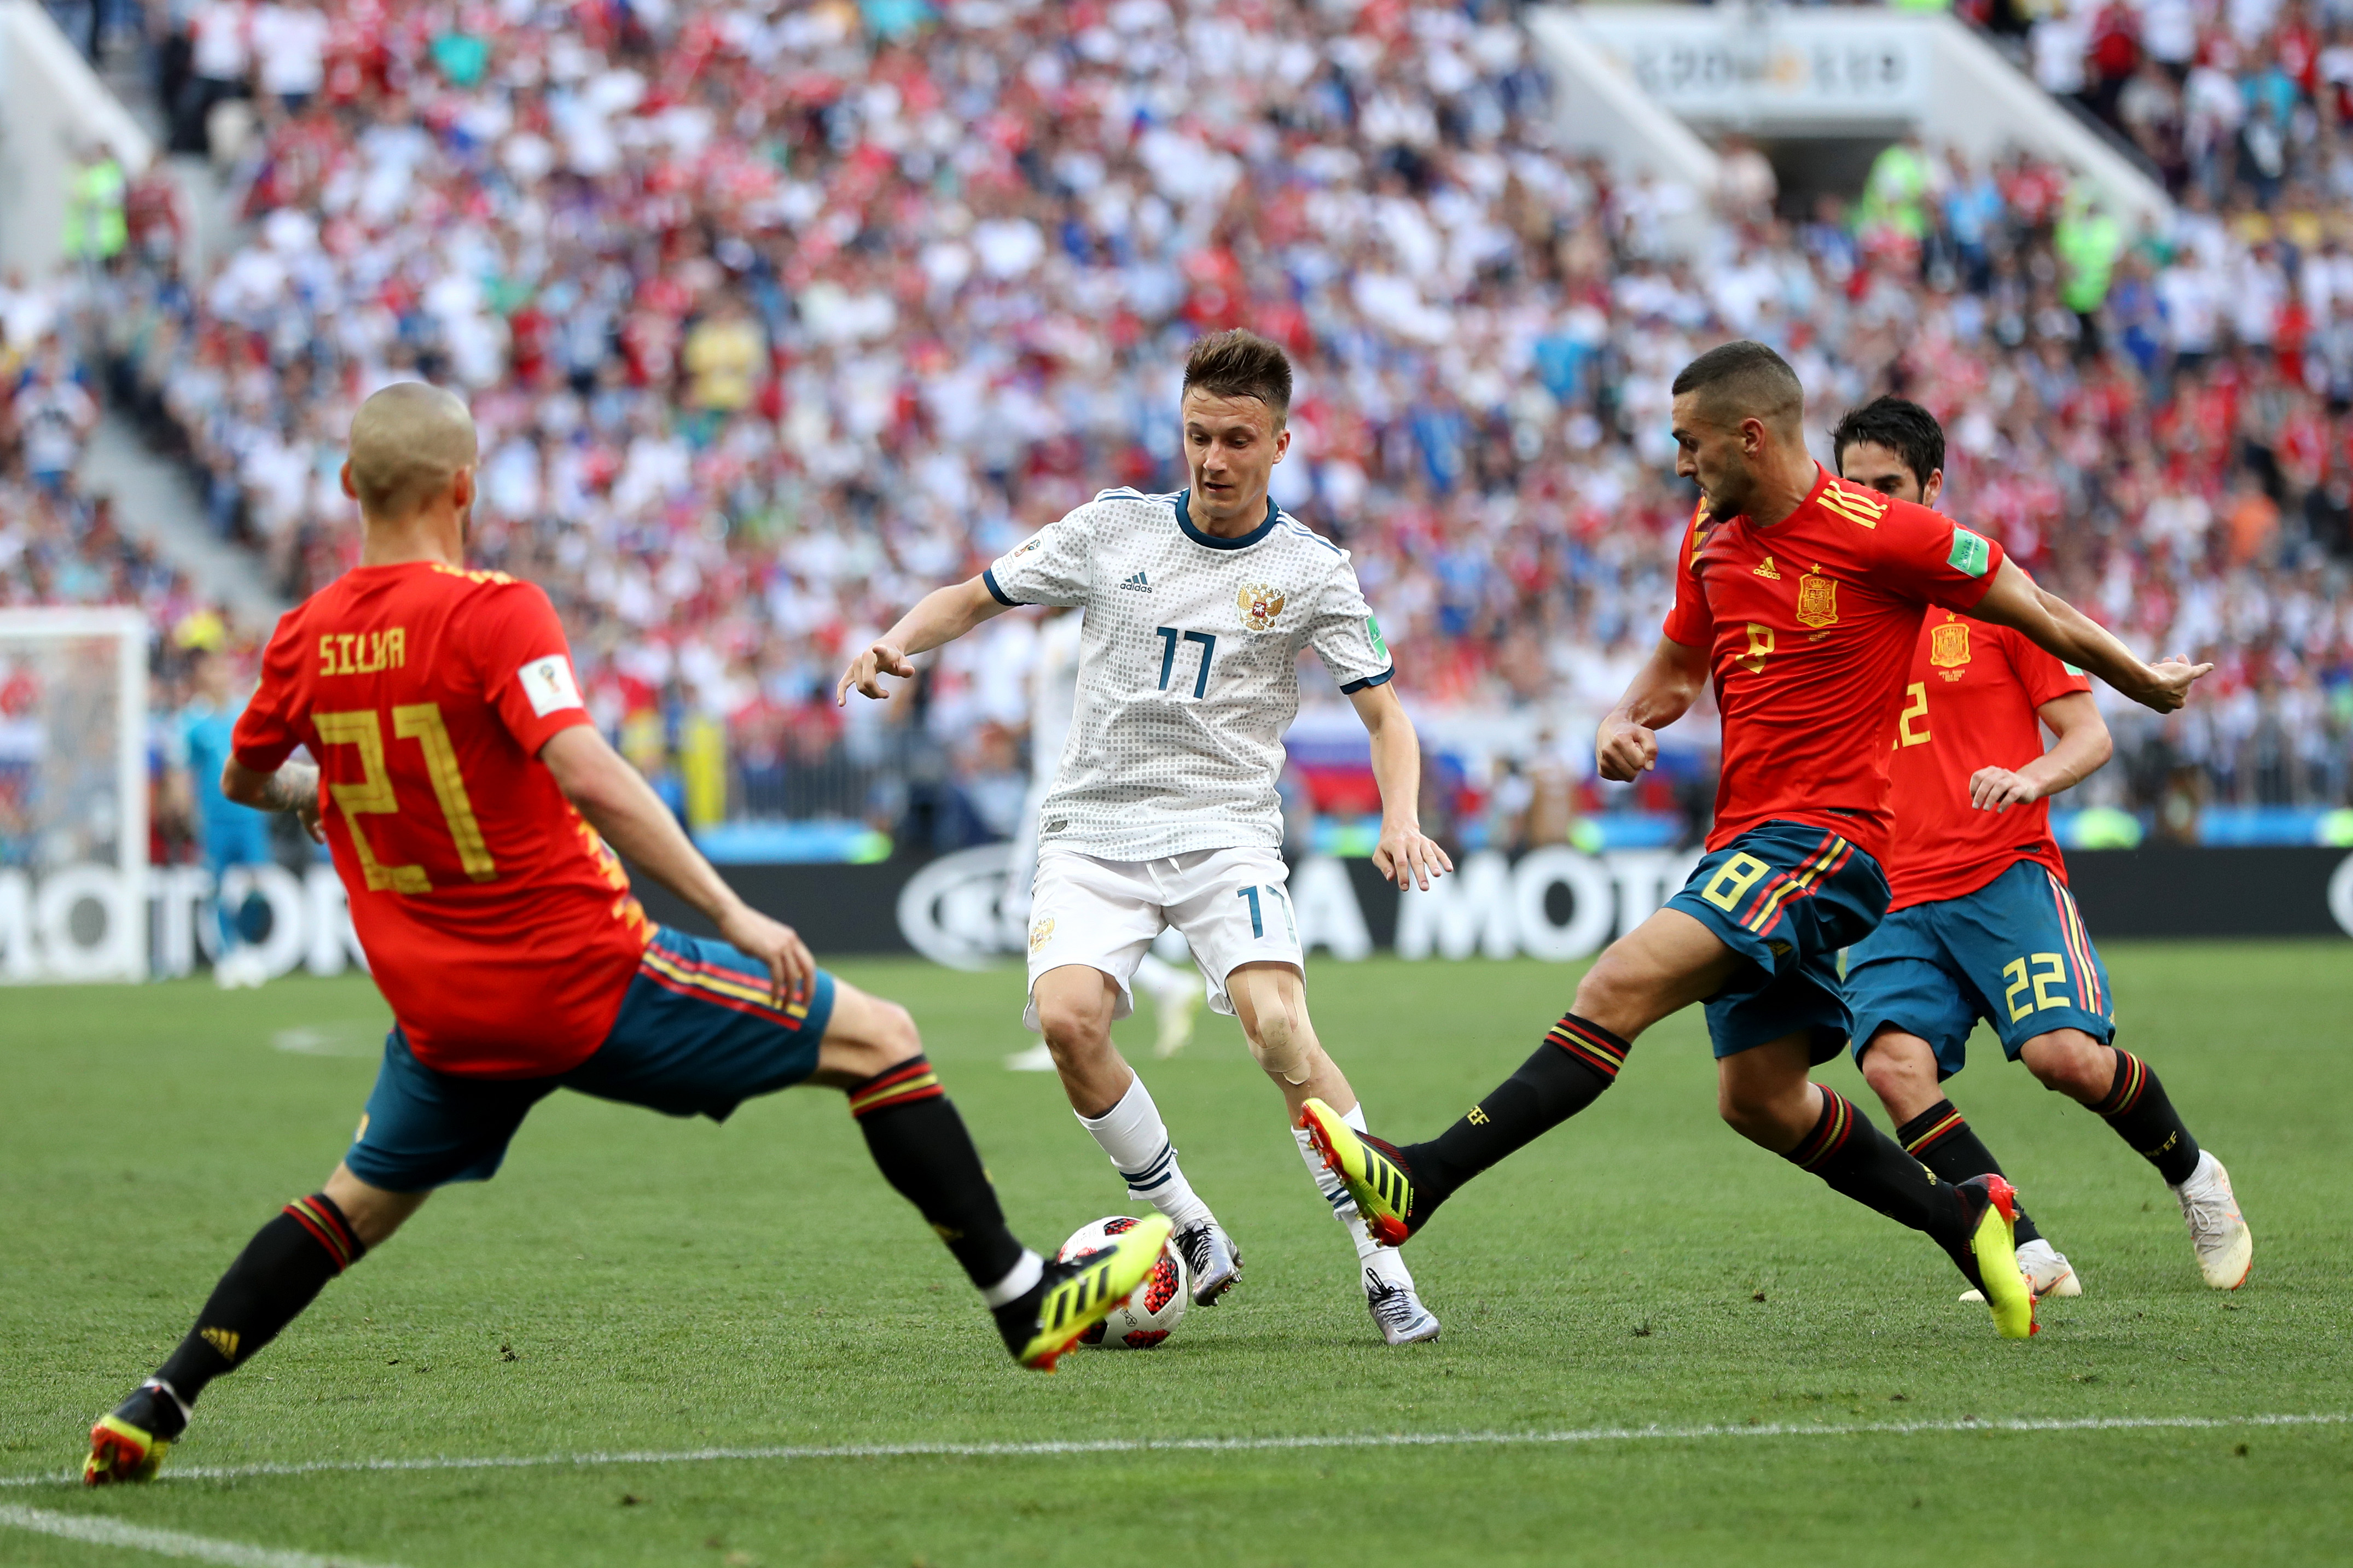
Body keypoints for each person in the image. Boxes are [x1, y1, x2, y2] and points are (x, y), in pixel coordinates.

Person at [84, 383, 1169, 1488]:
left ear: (346, 488)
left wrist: (320, 784)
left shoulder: (304, 635)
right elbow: (586, 766)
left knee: (349, 1204)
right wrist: (729, 907)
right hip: (577, 972)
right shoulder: (492, 609)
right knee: (880, 1036)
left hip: (441, 1013)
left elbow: (246, 774)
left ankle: (159, 1394)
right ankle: (1021, 1295)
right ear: (465, 486)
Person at [1299, 341, 2210, 1340]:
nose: (1679, 463)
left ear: (1750, 435)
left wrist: (2142, 683)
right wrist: (1624, 719)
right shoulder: (1710, 532)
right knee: (1761, 1099)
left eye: (1690, 444)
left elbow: (2033, 608)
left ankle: (1419, 1180)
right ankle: (1965, 1217)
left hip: (1829, 841)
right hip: (1748, 838)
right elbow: (1678, 669)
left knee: (1615, 986)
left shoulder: (1887, 535)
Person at [839, 329, 1453, 1345]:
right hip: (1094, 830)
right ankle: (1193, 1225)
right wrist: (895, 639)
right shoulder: (1110, 530)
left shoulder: (1310, 570)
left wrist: (1400, 814)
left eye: (1237, 440)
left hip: (1225, 834)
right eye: (1198, 436)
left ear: (1281, 443)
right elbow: (970, 596)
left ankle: (1382, 1263)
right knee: (1068, 1021)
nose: (1214, 459)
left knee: (1281, 1031)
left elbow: (1388, 716)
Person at [1829, 395, 2251, 1298]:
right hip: (1890, 893)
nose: (1869, 503)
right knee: (1890, 1064)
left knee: (2068, 1059)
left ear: (1933, 486)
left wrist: (2032, 778)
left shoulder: (1989, 596)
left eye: (1889, 486)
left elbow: (2086, 735)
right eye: (1852, 487)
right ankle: (2021, 1245)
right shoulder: (1830, 612)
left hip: (2002, 873)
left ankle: (2193, 1174)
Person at [1002, 609, 1201, 1071]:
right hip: (1056, 787)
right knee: (1034, 911)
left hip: (1058, 793)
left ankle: (1073, 1021)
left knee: (1023, 908)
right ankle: (1135, 994)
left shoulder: (1080, 626)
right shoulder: (1057, 631)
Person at [169, 637, 278, 987]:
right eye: (213, 669)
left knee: (256, 886)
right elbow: (183, 771)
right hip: (214, 820)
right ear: (202, 676)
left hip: (250, 816)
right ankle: (228, 956)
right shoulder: (191, 721)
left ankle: (253, 951)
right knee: (217, 888)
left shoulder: (244, 712)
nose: (221, 675)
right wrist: (185, 810)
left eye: (223, 667)